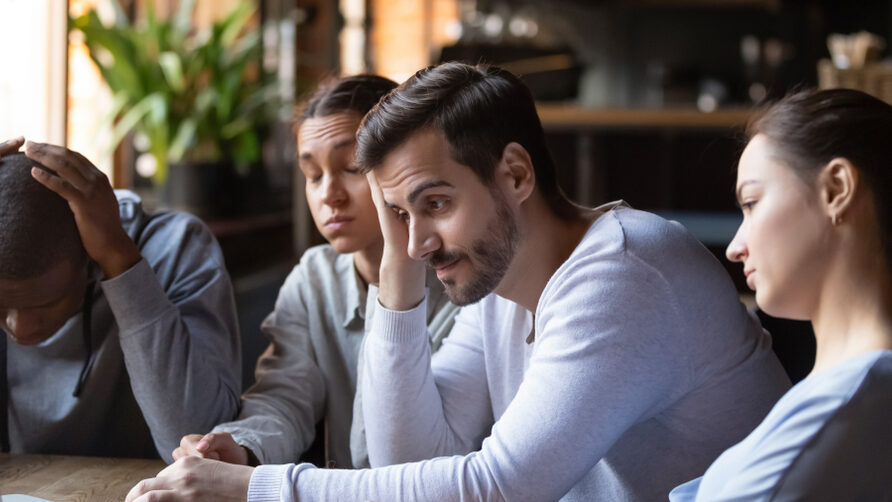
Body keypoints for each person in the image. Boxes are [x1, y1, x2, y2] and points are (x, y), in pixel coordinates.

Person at [127, 62, 790, 502]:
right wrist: (398, 267)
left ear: (517, 175)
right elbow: (404, 456)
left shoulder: (619, 274)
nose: (417, 241)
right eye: (396, 213)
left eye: (435, 203)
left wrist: (251, 490)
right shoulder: (502, 283)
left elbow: (496, 487)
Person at [172, 75, 459, 469]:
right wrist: (239, 447)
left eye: (352, 167)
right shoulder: (315, 278)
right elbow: (284, 396)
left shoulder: (460, 278)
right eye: (313, 175)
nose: (329, 194)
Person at [670, 89, 892, 500]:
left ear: (836, 189)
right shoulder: (844, 396)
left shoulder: (846, 407)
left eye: (752, 202)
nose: (736, 247)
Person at [0, 139, 241, 461]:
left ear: (89, 261)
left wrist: (120, 262)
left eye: (45, 305)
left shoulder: (175, 247)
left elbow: (199, 449)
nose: (21, 329)